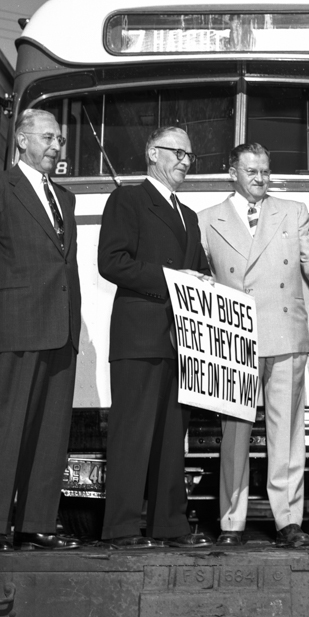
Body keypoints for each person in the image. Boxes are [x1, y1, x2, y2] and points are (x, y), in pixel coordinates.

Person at [198, 143, 309, 547]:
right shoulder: (206, 220)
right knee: (235, 435)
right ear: (233, 173)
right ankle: (232, 522)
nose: (260, 178)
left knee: (287, 434)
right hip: (235, 338)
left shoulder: (293, 212)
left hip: (285, 333)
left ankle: (288, 522)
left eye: (265, 171)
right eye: (251, 171)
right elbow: (197, 271)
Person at [0, 108, 82, 552]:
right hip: (18, 326)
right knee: (8, 428)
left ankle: (36, 525)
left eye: (60, 140)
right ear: (22, 140)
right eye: (48, 137)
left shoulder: (64, 198)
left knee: (51, 435)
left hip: (61, 331)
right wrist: (3, 311)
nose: (56, 146)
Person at [97, 126, 214, 549]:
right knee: (132, 435)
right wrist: (171, 278)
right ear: (151, 153)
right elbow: (111, 261)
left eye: (189, 156)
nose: (185, 160)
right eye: (177, 152)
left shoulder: (190, 216)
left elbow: (196, 270)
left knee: (170, 439)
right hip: (139, 337)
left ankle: (171, 525)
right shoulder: (127, 199)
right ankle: (121, 529)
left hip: (179, 341)